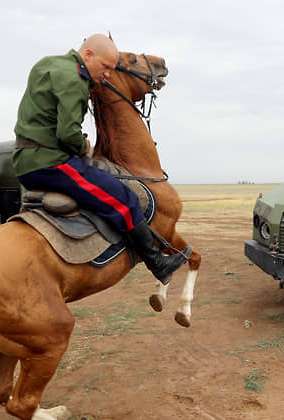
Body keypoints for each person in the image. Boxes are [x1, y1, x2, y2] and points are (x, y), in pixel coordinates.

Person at [12, 34, 188, 285]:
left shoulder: (47, 64)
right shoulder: (75, 79)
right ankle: (158, 263)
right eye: (105, 67)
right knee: (125, 199)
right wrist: (82, 144)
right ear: (88, 55)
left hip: (25, 159)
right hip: (51, 163)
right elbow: (67, 133)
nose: (107, 74)